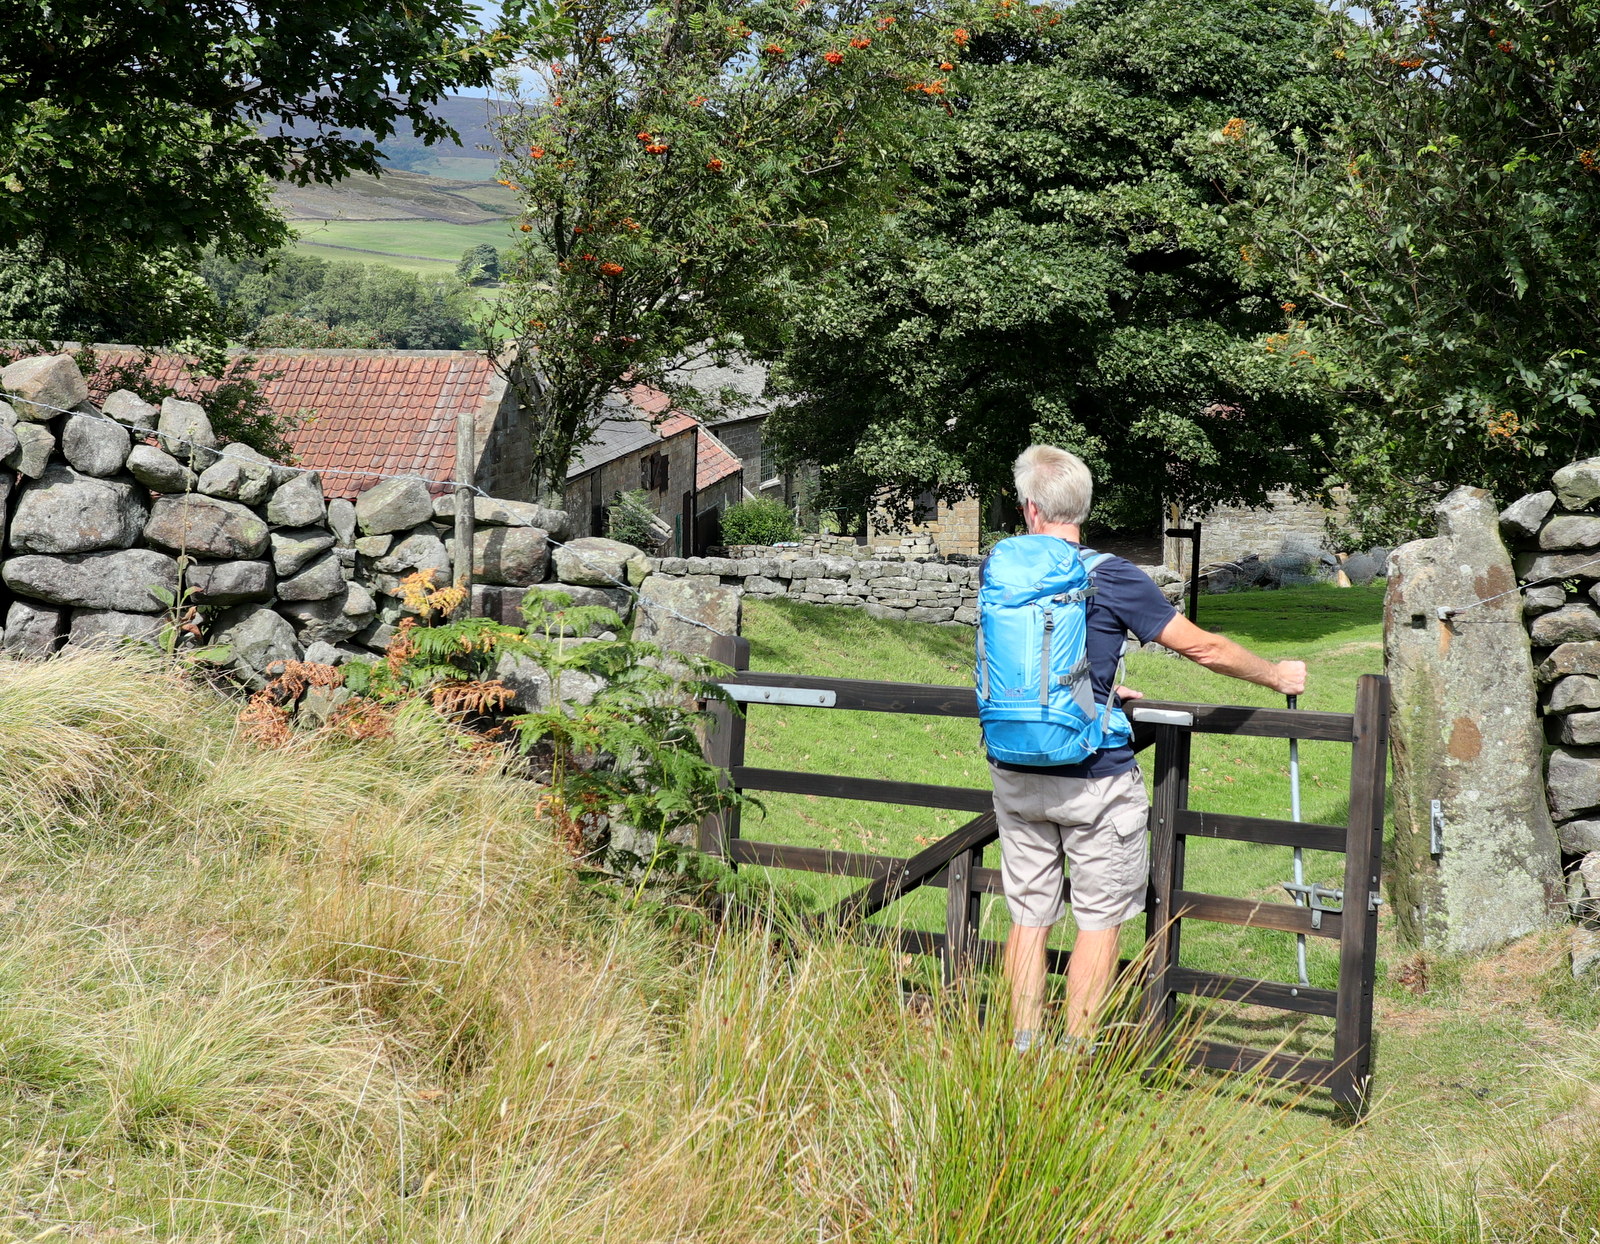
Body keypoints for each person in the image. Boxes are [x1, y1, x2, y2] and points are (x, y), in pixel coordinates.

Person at [988, 445, 1306, 1053]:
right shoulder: (1111, 574)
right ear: (1082, 507)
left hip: (1015, 766)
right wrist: (1275, 675)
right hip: (1093, 775)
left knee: (1028, 917)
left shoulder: (1001, 572)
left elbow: (1028, 661)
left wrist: (1095, 686)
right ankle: (1075, 1060)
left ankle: (1022, 1052)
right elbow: (1203, 648)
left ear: (1030, 507)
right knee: (1099, 921)